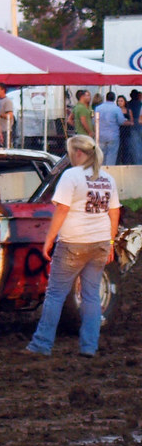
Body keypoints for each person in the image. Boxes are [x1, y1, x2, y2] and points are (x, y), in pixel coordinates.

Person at [25, 135, 119, 358]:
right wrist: (112, 242)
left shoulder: (71, 175)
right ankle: (89, 346)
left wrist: (49, 238)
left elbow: (62, 210)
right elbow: (114, 212)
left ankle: (42, 344)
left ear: (78, 153)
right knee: (91, 296)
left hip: (73, 242)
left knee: (56, 294)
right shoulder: (107, 178)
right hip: (100, 242)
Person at [95, 91, 126, 164]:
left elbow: (94, 121)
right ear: (114, 99)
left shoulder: (98, 108)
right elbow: (121, 121)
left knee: (101, 155)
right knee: (111, 155)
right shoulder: (116, 109)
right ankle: (109, 171)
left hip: (100, 135)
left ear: (106, 98)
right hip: (113, 135)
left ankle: (101, 171)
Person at [0, 83, 16, 148]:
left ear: (3, 90)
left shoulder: (7, 101)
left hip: (5, 130)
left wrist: (0, 114)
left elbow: (10, 115)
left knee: (5, 148)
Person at [117, 95, 132, 164]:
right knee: (118, 149)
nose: (120, 102)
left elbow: (131, 122)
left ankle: (126, 163)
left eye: (121, 101)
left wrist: (125, 122)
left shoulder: (128, 111)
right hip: (118, 132)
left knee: (126, 148)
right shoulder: (116, 110)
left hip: (127, 132)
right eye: (118, 101)